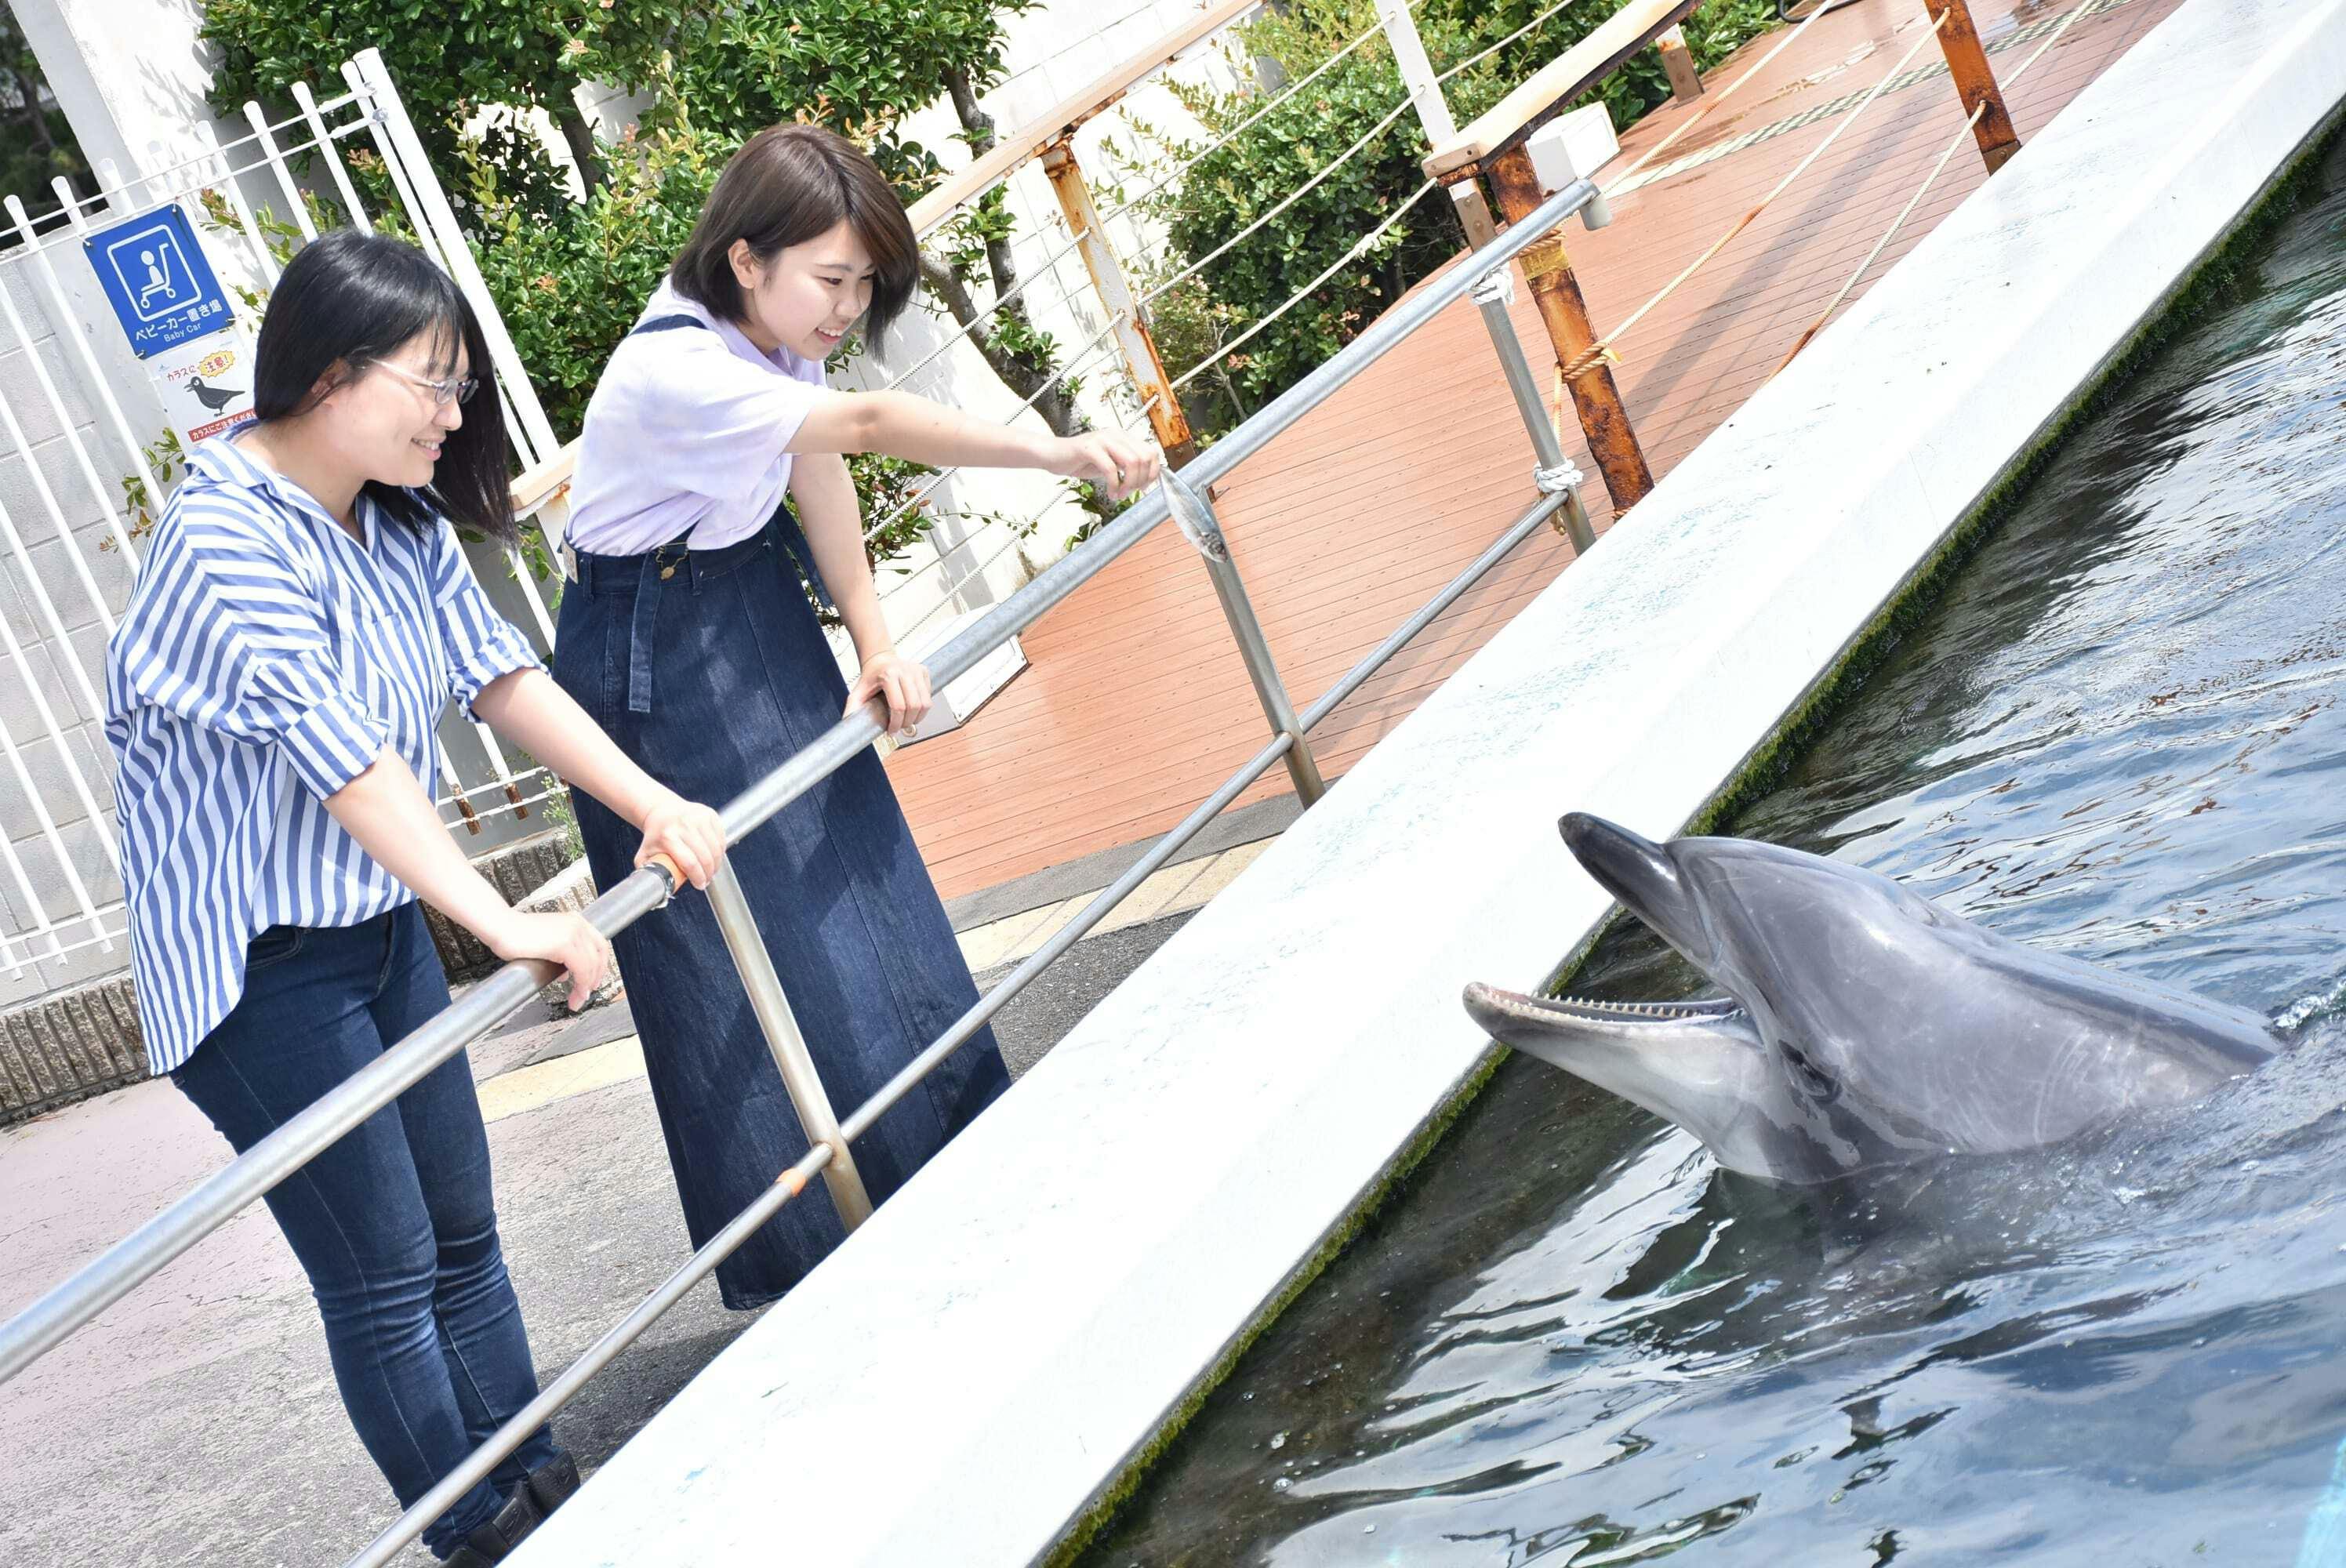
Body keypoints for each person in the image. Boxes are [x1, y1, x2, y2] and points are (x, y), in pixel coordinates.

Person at [105, 230, 726, 1565]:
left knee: (463, 1239)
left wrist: (652, 803)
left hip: (368, 927)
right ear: (330, 374)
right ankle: (477, 1538)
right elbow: (349, 764)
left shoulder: (392, 519)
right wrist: (501, 923)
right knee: (383, 1276)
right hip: (255, 971)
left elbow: (503, 680)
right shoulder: (219, 534)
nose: (455, 416)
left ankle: (552, 1497)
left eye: (460, 390)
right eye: (432, 385)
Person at [555, 122, 1159, 1309]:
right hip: (649, 650)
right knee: (737, 938)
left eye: (865, 283)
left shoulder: (767, 345)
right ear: (744, 258)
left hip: (741, 600)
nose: (848, 306)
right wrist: (1053, 453)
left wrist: (873, 637)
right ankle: (816, 1256)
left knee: (860, 878)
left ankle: (954, 1164)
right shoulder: (670, 368)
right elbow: (871, 432)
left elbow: (818, 467)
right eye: (832, 280)